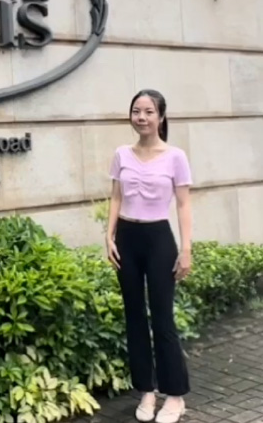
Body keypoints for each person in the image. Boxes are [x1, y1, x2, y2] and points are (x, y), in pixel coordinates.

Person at [106, 89, 193, 423]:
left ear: (161, 117)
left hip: (159, 239)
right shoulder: (121, 154)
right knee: (134, 317)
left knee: (162, 319)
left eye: (148, 111)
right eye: (136, 111)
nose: (141, 117)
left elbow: (183, 204)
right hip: (126, 239)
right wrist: (109, 235)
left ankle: (175, 395)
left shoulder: (175, 157)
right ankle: (146, 390)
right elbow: (116, 197)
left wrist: (186, 249)